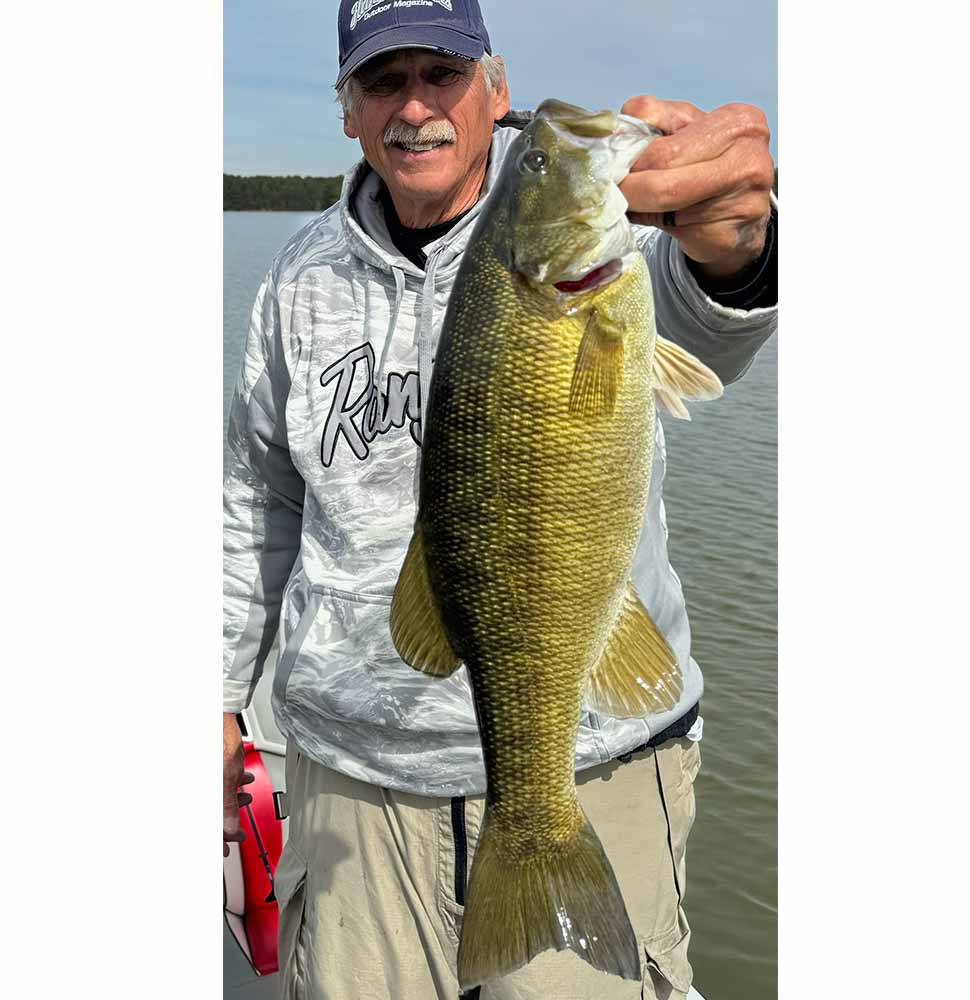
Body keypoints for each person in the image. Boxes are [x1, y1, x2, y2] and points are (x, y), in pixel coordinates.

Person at [223, 2, 777, 997]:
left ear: (496, 90)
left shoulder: (615, 247)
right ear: (347, 110)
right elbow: (255, 501)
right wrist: (216, 695)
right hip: (353, 781)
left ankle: (538, 828)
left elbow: (712, 316)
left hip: (597, 765)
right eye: (383, 80)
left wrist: (735, 247)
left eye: (442, 71)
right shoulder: (298, 278)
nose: (415, 106)